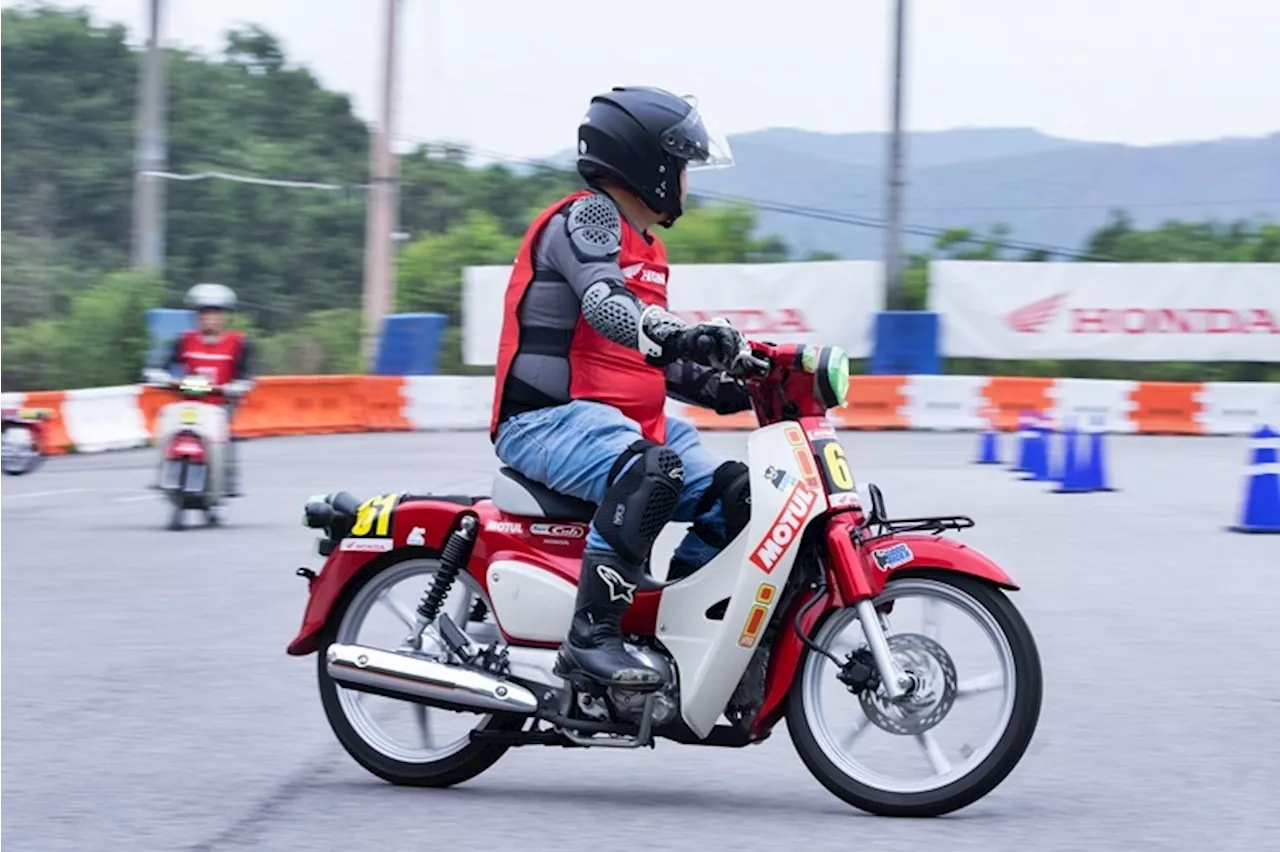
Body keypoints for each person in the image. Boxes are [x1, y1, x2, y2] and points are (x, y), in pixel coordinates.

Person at [490, 86, 756, 692]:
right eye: (683, 167)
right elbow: (607, 305)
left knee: (741, 494)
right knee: (653, 472)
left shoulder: (649, 248)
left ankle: (673, 625)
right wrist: (679, 332)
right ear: (650, 164)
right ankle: (592, 639)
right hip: (548, 418)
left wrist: (735, 384)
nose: (687, 183)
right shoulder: (585, 218)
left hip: (622, 423)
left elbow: (653, 356)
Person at [144, 283, 254, 496]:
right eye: (203, 313)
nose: (209, 319)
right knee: (166, 423)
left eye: (215, 313)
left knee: (224, 435)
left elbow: (245, 374)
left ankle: (227, 480)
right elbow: (161, 365)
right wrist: (157, 376)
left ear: (224, 317)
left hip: (220, 403)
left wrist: (238, 386)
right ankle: (162, 472)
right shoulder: (184, 341)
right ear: (196, 316)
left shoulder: (238, 342)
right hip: (189, 402)